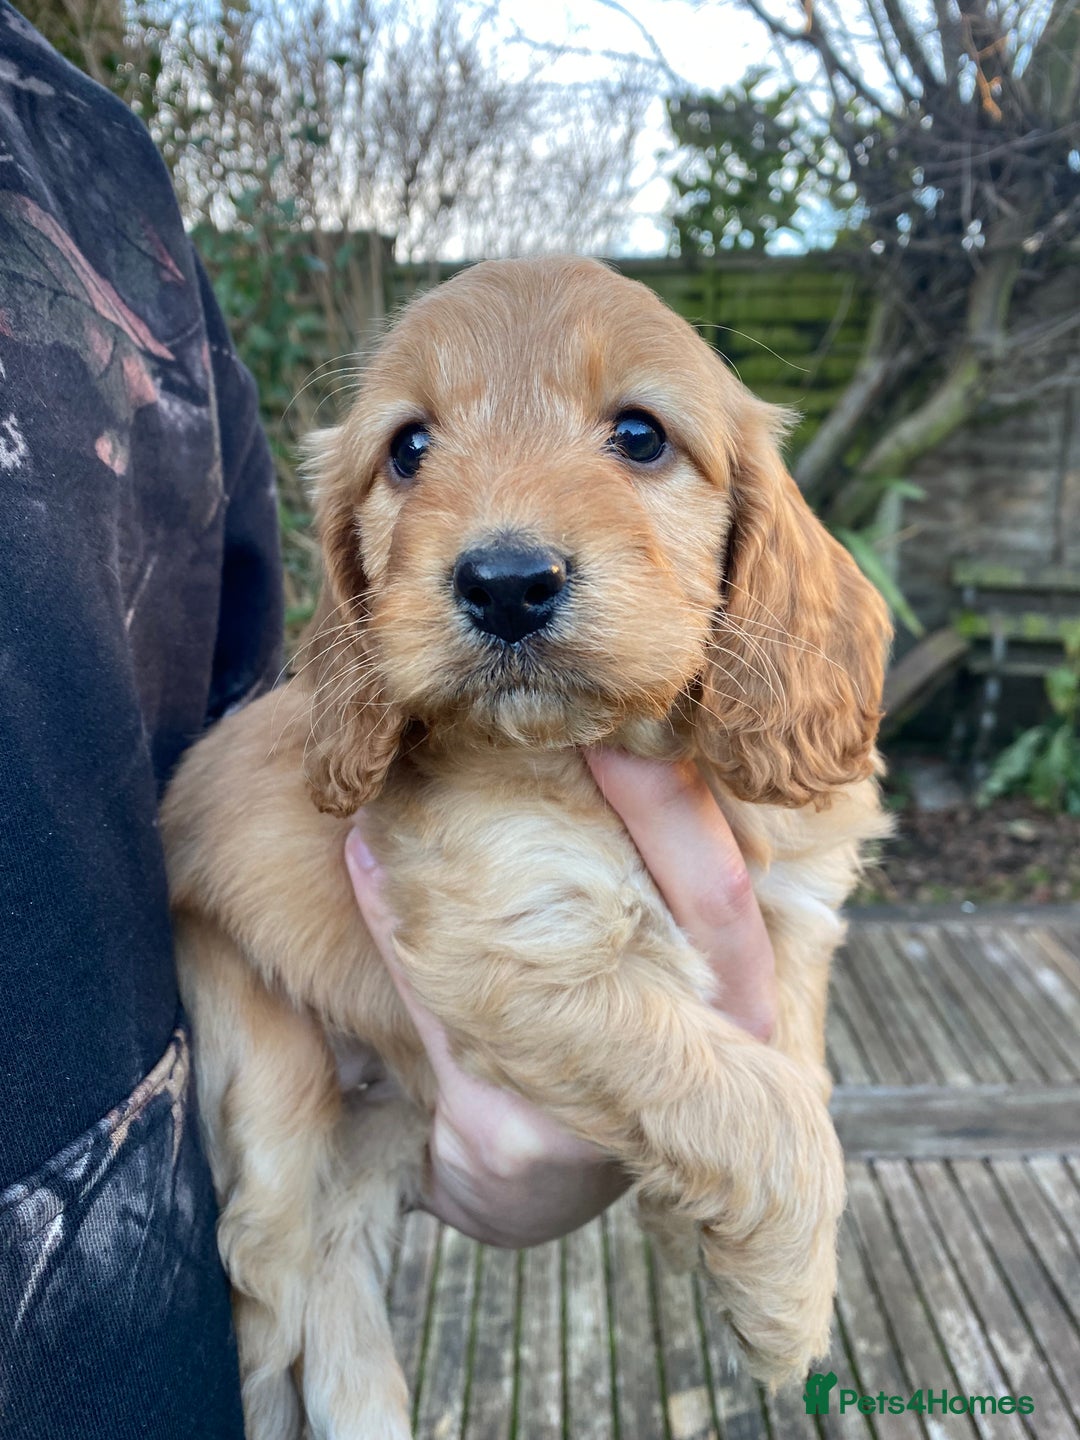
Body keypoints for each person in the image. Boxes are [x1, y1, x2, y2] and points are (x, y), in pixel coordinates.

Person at [0, 8, 776, 1436]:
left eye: (639, 438)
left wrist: (494, 1119)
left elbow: (234, 706)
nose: (506, 533)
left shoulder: (94, 158)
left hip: (161, 1321)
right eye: (414, 453)